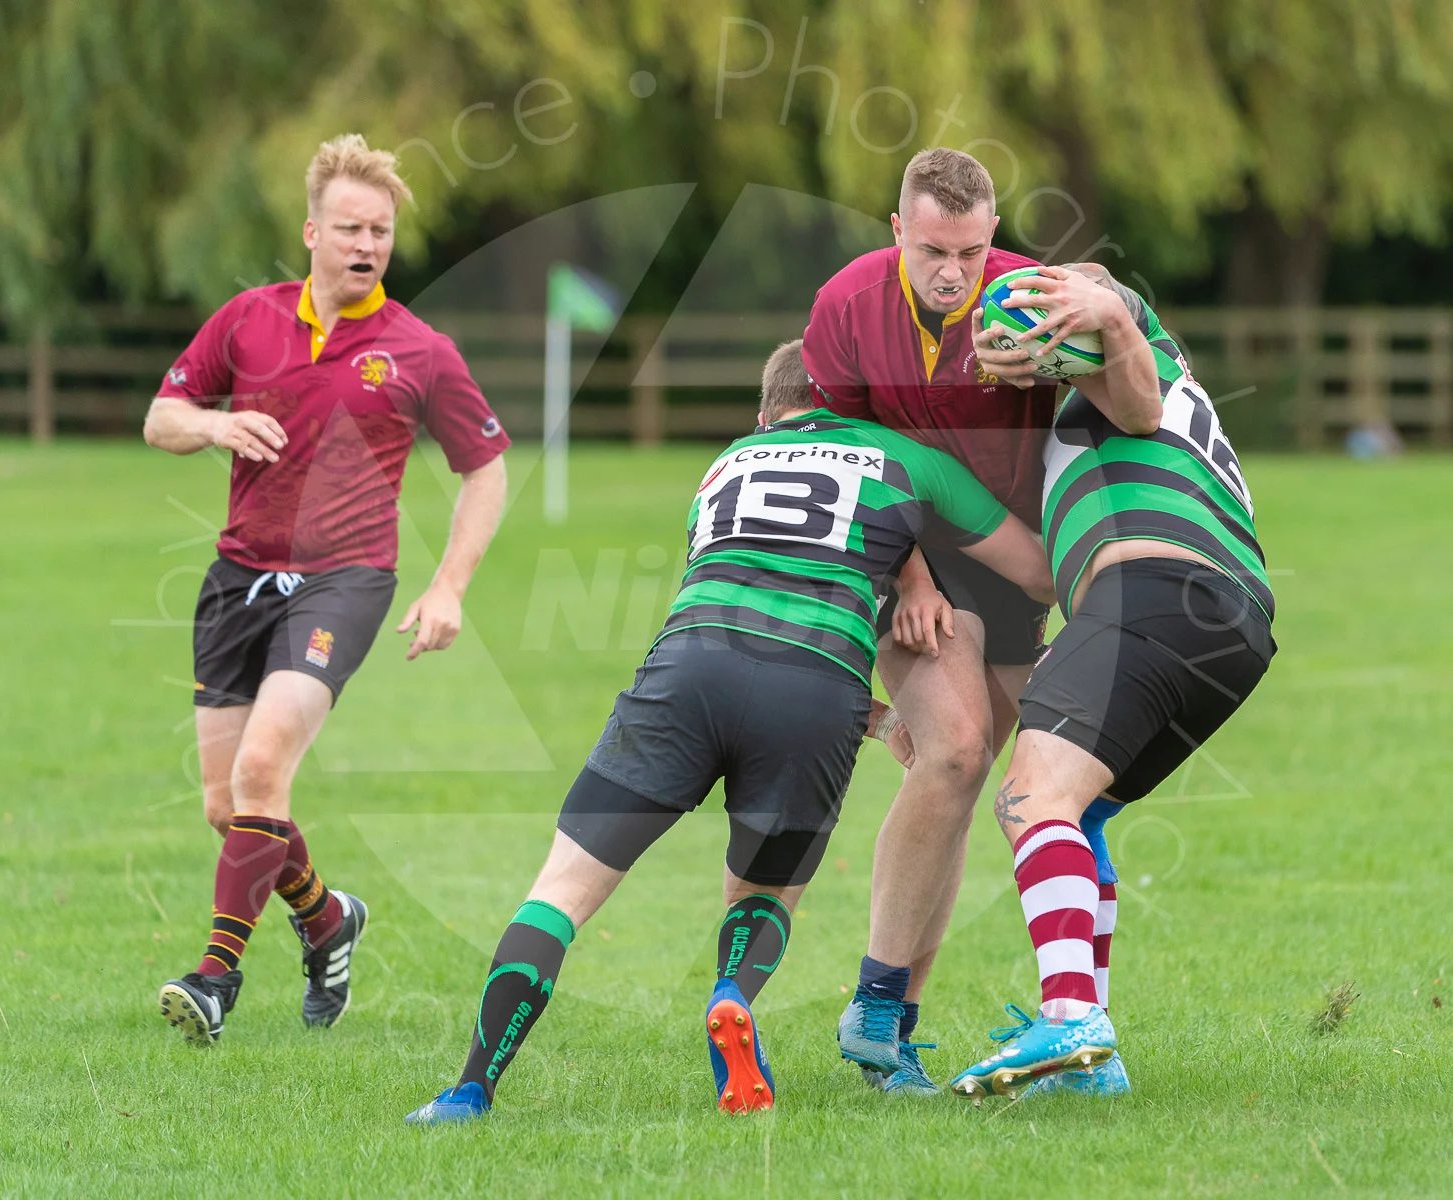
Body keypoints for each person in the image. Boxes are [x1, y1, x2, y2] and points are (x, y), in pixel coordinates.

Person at [404, 340, 1054, 1125]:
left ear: (764, 413)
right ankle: (732, 994)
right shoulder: (901, 456)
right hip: (815, 695)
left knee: (562, 889)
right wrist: (926, 587)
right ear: (846, 405)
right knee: (763, 890)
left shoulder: (725, 467)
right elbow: (1037, 570)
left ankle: (470, 1088)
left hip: (687, 672)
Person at [142, 134, 509, 1044]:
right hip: (235, 580)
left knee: (264, 769)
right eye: (349, 226)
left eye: (380, 230)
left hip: (344, 583)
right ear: (311, 231)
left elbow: (487, 470)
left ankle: (215, 980)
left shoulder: (420, 352)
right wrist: (217, 428)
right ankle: (326, 920)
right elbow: (161, 418)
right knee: (231, 806)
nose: (367, 244)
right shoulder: (246, 320)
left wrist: (449, 586)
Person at [910, 265, 1276, 1098]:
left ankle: (1073, 1015)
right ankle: (1091, 1064)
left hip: (1153, 591)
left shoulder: (1130, 362)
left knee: (1030, 799)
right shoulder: (1097, 406)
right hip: (1230, 625)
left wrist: (1103, 308)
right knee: (1083, 809)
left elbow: (1129, 373)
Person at [801, 147, 1075, 1094]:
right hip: (904, 550)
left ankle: (893, 1027)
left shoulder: (1035, 301)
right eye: (930, 250)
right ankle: (875, 1006)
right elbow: (844, 452)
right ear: (897, 232)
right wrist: (911, 575)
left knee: (958, 782)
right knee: (955, 753)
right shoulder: (843, 306)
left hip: (1012, 555)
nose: (951, 272)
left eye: (968, 250)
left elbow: (1118, 396)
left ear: (992, 236)